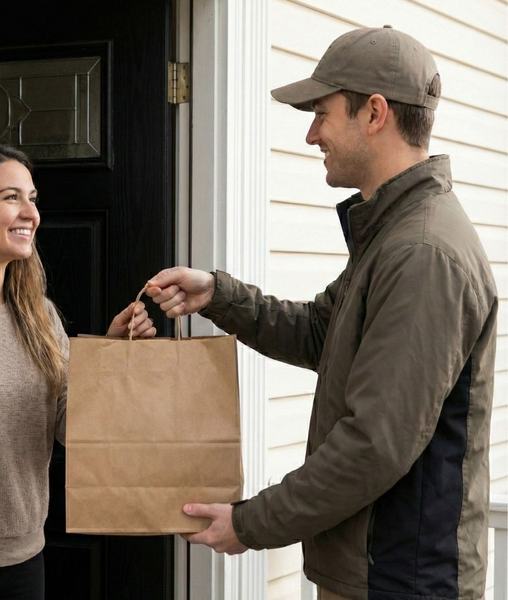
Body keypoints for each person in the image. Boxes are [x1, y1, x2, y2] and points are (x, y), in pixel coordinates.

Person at [146, 26, 498, 600]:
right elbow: (319, 330)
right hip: (377, 573)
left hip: (399, 580)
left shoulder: (422, 253)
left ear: (375, 113)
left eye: (322, 113)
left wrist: (249, 522)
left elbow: (374, 444)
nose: (312, 134)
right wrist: (219, 295)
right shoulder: (393, 236)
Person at [0, 143, 156, 600]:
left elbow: (70, 431)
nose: (30, 213)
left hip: (25, 558)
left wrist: (108, 361)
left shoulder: (39, 315)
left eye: (32, 198)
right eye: (11, 197)